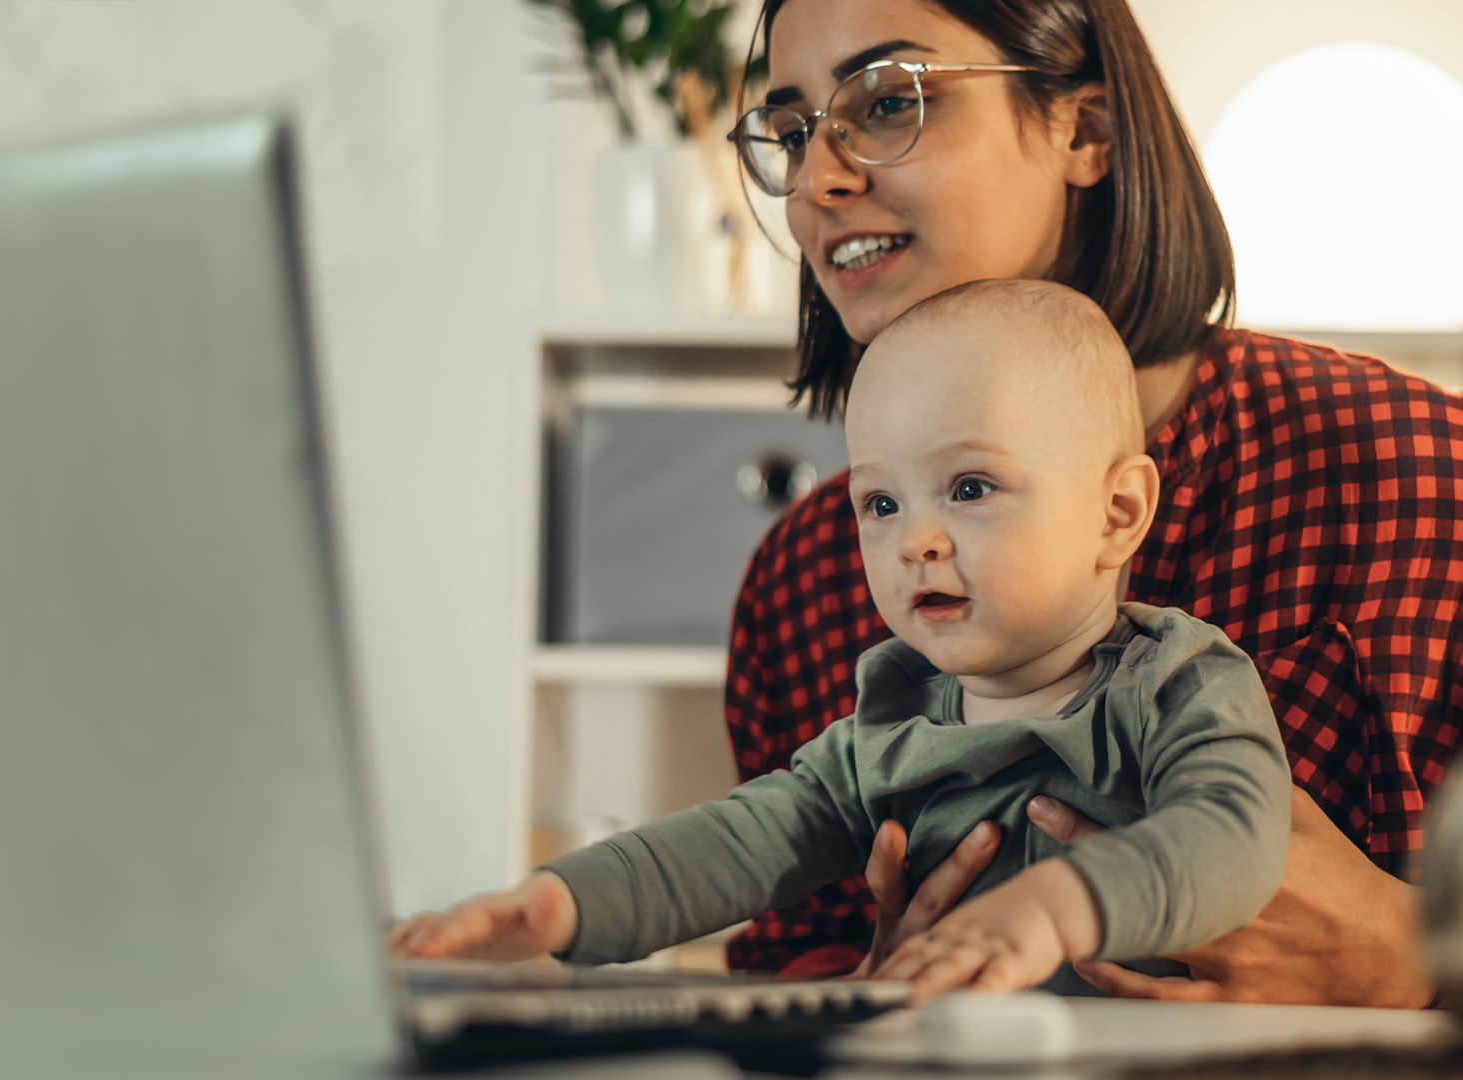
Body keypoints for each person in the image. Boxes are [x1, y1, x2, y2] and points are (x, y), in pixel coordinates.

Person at [718, 0, 1463, 1006]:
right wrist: (874, 984)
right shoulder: (804, 578)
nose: (819, 182)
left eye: (890, 101)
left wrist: (1411, 963)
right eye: (794, 132)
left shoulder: (1417, 472)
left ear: (1086, 131)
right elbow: (788, 964)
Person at [392, 279, 1293, 1000]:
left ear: (1119, 511)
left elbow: (1236, 833)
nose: (916, 540)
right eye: (881, 503)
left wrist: (1059, 908)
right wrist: (557, 903)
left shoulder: (1177, 680)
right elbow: (734, 843)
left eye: (971, 487)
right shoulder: (888, 724)